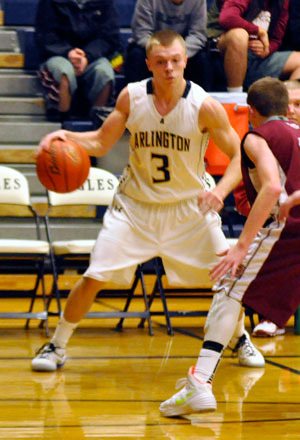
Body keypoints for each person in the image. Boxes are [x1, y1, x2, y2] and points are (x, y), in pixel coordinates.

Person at [31, 29, 263, 372]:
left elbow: (239, 156)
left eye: (175, 61)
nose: (169, 68)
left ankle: (239, 337)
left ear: (185, 61)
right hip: (134, 208)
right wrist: (65, 135)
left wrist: (219, 191)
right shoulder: (132, 97)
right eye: (160, 62)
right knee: (94, 275)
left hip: (189, 209)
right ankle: (57, 343)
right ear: (149, 64)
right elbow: (99, 142)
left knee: (225, 279)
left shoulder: (205, 107)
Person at [160, 76, 300, 417]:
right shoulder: (297, 132)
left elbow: (269, 189)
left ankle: (201, 383)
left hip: (286, 230)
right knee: (232, 290)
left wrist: (241, 247)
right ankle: (200, 380)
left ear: (250, 111)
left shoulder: (256, 137)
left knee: (228, 290)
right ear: (286, 107)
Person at [235, 79, 300, 337]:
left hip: (285, 224)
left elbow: (271, 187)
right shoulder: (268, 139)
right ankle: (272, 317)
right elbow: (245, 195)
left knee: (230, 284)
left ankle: (265, 321)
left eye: (299, 104)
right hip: (276, 219)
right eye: (292, 104)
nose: (294, 110)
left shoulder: (260, 137)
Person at [35, 0, 123, 124]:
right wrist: (68, 52)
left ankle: (98, 126)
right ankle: (62, 123)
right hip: (57, 54)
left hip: (92, 56)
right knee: (64, 71)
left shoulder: (105, 2)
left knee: (105, 73)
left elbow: (109, 37)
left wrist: (87, 56)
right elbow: (44, 35)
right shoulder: (50, 2)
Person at [207, 0, 300, 93]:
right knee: (239, 36)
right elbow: (227, 18)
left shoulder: (283, 2)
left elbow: (276, 39)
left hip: (256, 58)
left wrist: (267, 49)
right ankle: (235, 96)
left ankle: (288, 102)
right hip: (223, 54)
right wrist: (258, 31)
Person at [124, 0, 212, 90]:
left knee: (202, 59)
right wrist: (161, 52)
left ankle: (202, 101)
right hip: (153, 49)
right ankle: (132, 98)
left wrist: (177, 53)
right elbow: (141, 33)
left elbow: (198, 34)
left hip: (184, 50)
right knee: (135, 55)